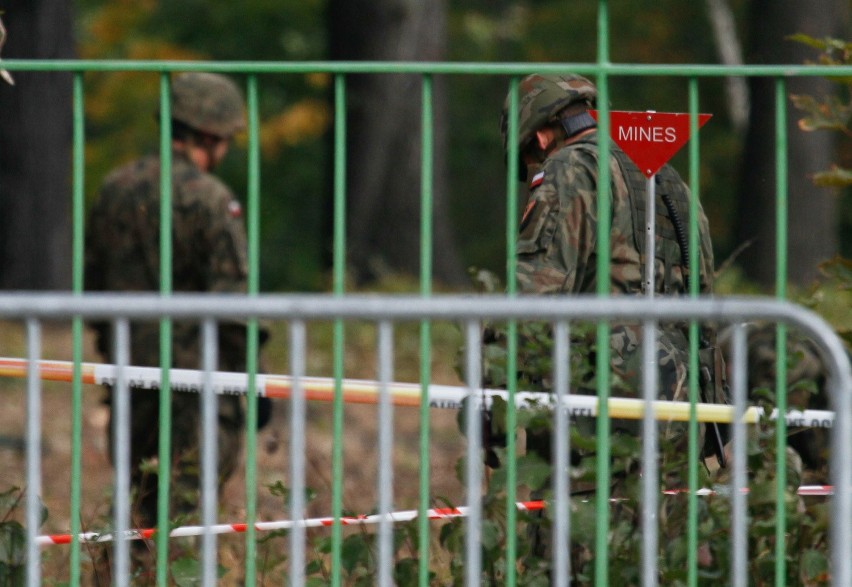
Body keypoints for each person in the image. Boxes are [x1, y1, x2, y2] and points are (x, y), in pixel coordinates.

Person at [489, 73, 729, 570]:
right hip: (682, 414)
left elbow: (531, 298)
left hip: (595, 419)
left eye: (531, 159)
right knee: (668, 564)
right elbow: (704, 307)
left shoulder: (569, 170)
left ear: (540, 136)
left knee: (579, 562)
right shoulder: (669, 181)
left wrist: (491, 392)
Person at [85, 72, 269, 530]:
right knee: (184, 510)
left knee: (136, 499)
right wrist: (254, 379)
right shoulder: (210, 199)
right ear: (208, 134)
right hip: (197, 381)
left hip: (130, 370)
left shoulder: (115, 187)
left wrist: (112, 352)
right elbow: (233, 305)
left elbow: (92, 284)